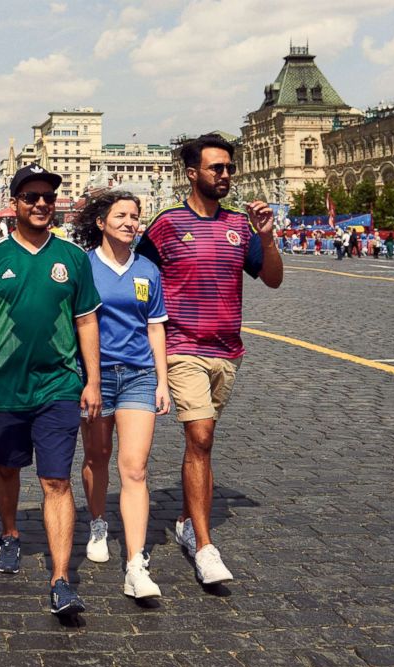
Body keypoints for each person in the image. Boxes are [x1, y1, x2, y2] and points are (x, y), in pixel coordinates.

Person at [136, 133, 283, 586]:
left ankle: (184, 518)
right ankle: (204, 546)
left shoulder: (240, 225)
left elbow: (273, 280)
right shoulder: (165, 224)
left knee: (203, 441)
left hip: (227, 351)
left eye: (229, 168)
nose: (225, 175)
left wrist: (267, 237)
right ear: (192, 173)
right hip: (182, 347)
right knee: (199, 436)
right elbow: (139, 275)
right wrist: (143, 325)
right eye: (216, 168)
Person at [0, 164, 102, 617]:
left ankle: (61, 579)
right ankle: (9, 532)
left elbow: (86, 320)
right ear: (15, 202)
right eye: (31, 196)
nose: (41, 203)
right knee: (6, 469)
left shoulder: (74, 259)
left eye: (47, 196)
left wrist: (92, 381)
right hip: (3, 387)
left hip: (59, 385)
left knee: (56, 480)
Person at [71, 190, 170, 599]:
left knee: (135, 468)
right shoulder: (83, 266)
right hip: (93, 377)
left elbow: (155, 327)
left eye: (135, 216)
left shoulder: (147, 269)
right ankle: (97, 521)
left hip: (138, 376)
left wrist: (162, 381)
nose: (131, 222)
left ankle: (135, 563)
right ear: (101, 222)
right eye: (121, 215)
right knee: (97, 458)